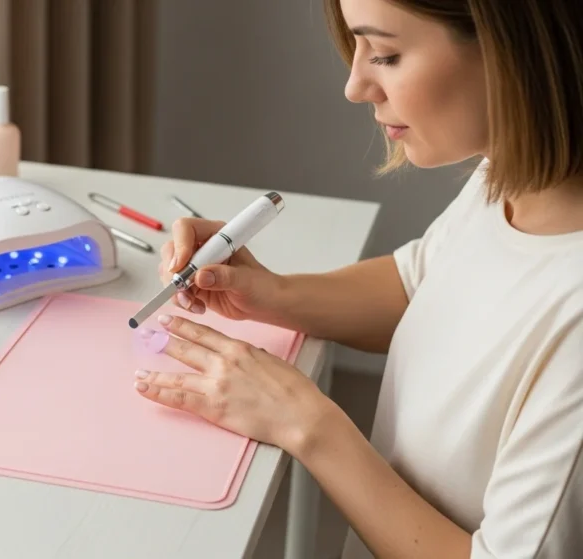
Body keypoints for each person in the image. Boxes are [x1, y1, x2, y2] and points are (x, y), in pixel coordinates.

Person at [132, 0, 583, 557]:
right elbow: (419, 286)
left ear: (514, 50)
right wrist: (269, 293)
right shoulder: (512, 178)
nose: (355, 85)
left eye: (387, 54)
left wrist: (307, 424)